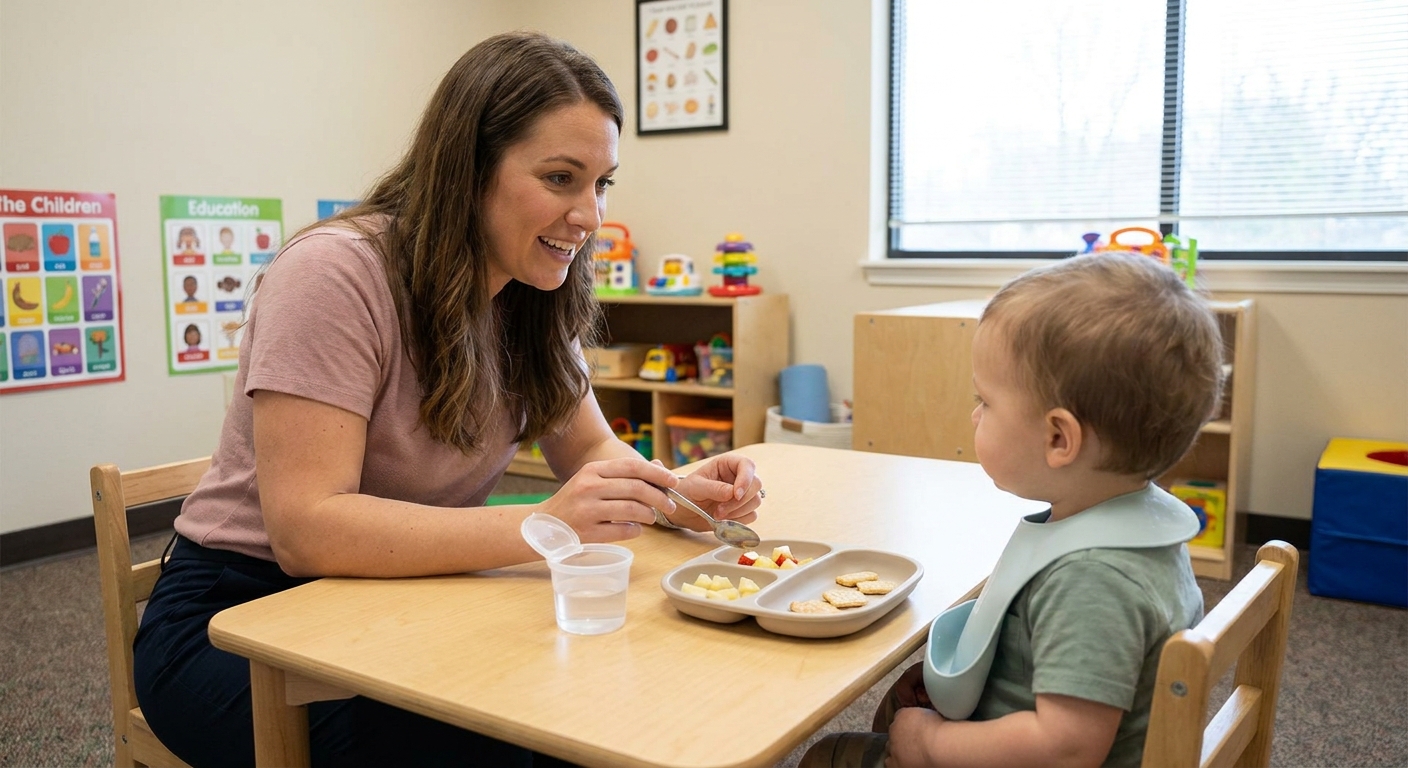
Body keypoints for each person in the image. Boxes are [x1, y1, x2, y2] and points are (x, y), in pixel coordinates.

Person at [133, 31, 763, 768]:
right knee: (492, 742)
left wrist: (672, 493)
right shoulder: (334, 276)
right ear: (467, 169)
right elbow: (307, 530)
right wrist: (538, 526)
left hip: (402, 598)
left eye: (601, 184)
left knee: (594, 708)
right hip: (239, 615)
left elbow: (589, 447)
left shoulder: (530, 293)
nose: (589, 216)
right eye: (561, 178)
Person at [801, 251, 1223, 768]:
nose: (974, 414)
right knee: (895, 708)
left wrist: (932, 746)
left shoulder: (1094, 579)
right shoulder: (1126, 515)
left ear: (1058, 438)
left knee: (827, 756)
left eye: (986, 401)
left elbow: (1066, 748)